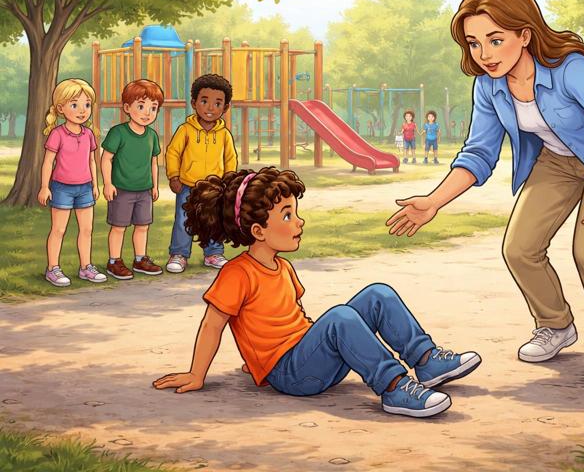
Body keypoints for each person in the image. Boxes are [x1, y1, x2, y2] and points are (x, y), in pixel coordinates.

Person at [387, 0, 584, 393]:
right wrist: (434, 201)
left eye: (495, 40)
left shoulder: (569, 70)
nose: (485, 55)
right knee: (519, 247)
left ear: (524, 35)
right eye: (474, 44)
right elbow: (478, 154)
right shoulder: (489, 86)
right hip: (558, 161)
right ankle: (555, 325)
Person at [153, 167, 482, 418]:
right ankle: (394, 387)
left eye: (295, 212)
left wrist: (315, 343)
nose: (299, 221)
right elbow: (214, 323)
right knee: (340, 317)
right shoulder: (236, 273)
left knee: (376, 295)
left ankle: (427, 361)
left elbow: (284, 319)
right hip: (291, 375)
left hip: (310, 357)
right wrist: (198, 374)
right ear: (258, 231)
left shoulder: (283, 268)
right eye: (287, 215)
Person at [165, 74, 237, 273]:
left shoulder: (224, 134)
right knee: (182, 219)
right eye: (204, 101)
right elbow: (173, 152)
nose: (210, 108)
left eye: (217, 103)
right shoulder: (185, 130)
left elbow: (230, 158)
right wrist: (173, 176)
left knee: (214, 220)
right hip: (188, 185)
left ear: (225, 107)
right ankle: (179, 254)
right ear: (194, 103)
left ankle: (213, 253)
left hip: (215, 188)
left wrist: (229, 180)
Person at [37, 79, 106, 286]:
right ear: (61, 108)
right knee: (58, 230)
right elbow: (48, 162)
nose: (82, 110)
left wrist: (95, 185)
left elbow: (92, 161)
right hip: (62, 188)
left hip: (85, 188)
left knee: (86, 230)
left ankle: (86, 267)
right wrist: (44, 186)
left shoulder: (88, 135)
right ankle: (53, 269)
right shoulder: (57, 134)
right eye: (74, 105)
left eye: (86, 105)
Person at [101, 80, 164, 280]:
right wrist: (108, 183)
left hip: (144, 190)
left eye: (153, 108)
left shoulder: (152, 136)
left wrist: (154, 186)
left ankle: (140, 259)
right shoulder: (118, 133)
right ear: (127, 108)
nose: (147, 112)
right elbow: (106, 159)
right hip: (122, 190)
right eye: (141, 106)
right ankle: (114, 261)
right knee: (119, 226)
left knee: (142, 225)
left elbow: (154, 162)